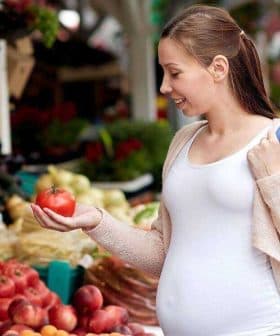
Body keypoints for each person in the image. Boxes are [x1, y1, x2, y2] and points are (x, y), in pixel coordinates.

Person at [31, 4, 280, 336]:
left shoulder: (273, 142)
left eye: (174, 73)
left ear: (218, 68)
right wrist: (96, 221)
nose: (164, 87)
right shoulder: (183, 141)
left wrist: (273, 179)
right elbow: (163, 253)